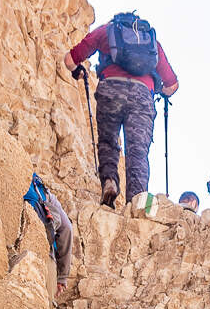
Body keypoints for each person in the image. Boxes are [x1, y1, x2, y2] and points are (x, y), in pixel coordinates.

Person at [63, 12, 178, 208]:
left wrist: (77, 70)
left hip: (111, 90)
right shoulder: (152, 43)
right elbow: (172, 85)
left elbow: (69, 60)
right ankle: (137, 201)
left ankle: (109, 181)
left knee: (108, 142)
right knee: (138, 151)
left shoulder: (107, 31)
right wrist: (156, 88)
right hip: (142, 97)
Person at [23, 173, 73, 294]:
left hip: (22, 254)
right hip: (46, 257)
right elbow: (66, 228)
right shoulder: (40, 189)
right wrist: (61, 277)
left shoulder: (22, 184)